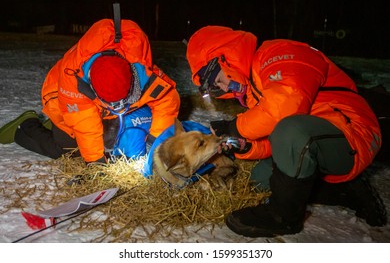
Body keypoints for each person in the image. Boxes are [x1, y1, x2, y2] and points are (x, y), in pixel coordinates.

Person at [186, 25, 387, 237]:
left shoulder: (279, 54)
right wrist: (246, 146)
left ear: (227, 58)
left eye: (219, 80)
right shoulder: (254, 89)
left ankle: (283, 217)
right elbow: (275, 139)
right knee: (261, 179)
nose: (225, 89)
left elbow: (284, 111)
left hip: (353, 133)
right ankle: (345, 191)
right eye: (217, 88)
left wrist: (234, 126)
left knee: (290, 129)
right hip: (317, 139)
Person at [0, 18, 180, 164]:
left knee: (119, 138)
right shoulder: (74, 78)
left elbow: (167, 99)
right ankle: (25, 127)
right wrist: (96, 162)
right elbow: (85, 124)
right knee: (71, 151)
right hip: (60, 99)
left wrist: (156, 139)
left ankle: (58, 127)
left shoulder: (142, 68)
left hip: (97, 104)